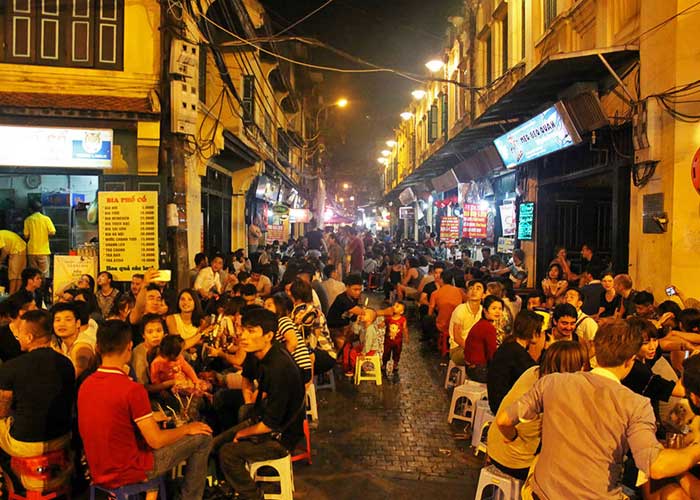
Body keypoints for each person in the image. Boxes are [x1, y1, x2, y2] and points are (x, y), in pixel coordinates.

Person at [496, 320, 700, 499]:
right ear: (630, 361)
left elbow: (504, 420)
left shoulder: (552, 381)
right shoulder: (637, 405)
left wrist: (511, 437)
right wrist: (695, 450)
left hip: (540, 494)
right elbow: (655, 466)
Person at [78, 320, 212, 497]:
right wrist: (187, 428)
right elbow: (155, 440)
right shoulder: (131, 389)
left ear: (97, 347)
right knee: (203, 438)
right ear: (129, 346)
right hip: (128, 469)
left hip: (96, 467)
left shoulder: (86, 384)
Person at [217, 308, 305, 500]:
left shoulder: (278, 367)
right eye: (243, 330)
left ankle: (253, 496)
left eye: (251, 331)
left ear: (269, 335)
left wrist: (242, 433)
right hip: (263, 419)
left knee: (227, 453)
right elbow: (247, 380)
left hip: (281, 438)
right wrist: (249, 406)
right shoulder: (258, 354)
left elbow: (270, 425)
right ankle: (228, 487)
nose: (243, 336)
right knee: (214, 443)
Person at [487, 341, 588, 481]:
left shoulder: (533, 371)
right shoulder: (554, 392)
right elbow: (503, 421)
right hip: (516, 461)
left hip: (494, 448)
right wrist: (513, 437)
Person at [0, 310, 74, 489]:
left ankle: (7, 482)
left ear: (29, 337)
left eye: (19, 333)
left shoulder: (12, 367)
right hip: (62, 437)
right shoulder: (66, 364)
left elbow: (2, 410)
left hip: (25, 444)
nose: (17, 336)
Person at [487, 310, 545, 414]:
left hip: (497, 400)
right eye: (539, 330)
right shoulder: (516, 352)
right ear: (532, 331)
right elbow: (535, 375)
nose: (541, 334)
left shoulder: (510, 345)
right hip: (503, 405)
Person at [264, 293, 313, 384]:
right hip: (297, 368)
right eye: (264, 306)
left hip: (299, 368)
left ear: (279, 307)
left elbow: (293, 342)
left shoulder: (283, 320)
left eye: (269, 305)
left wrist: (279, 361)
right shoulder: (276, 324)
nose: (265, 308)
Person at [463, 295, 504, 382]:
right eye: (494, 308)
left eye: (500, 309)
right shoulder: (488, 327)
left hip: (470, 367)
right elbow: (492, 354)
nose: (497, 312)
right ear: (485, 310)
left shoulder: (482, 323)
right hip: (479, 370)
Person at [51, 302, 96, 379]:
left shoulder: (82, 346)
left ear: (78, 323)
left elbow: (74, 375)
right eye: (58, 320)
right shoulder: (64, 343)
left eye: (68, 320)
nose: (62, 324)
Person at [448, 279, 485, 365]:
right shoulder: (460, 310)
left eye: (478, 288)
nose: (474, 291)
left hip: (476, 347)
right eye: (471, 288)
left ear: (483, 294)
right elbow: (457, 338)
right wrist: (473, 349)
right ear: (467, 293)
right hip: (458, 349)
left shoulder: (483, 311)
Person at [0, 291, 36, 362]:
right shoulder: (2, 334)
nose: (37, 309)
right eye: (34, 307)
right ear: (21, 312)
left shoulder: (36, 329)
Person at [23, 201, 55, 278]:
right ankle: (44, 289)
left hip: (32, 251)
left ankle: (35, 289)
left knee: (33, 274)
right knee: (44, 273)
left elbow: (26, 235)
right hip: (43, 250)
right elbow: (52, 232)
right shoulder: (46, 219)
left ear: (30, 210)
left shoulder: (28, 220)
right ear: (41, 209)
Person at [381, 301, 408, 375]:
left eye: (397, 306)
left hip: (398, 341)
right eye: (394, 305)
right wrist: (380, 325)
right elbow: (383, 324)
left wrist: (406, 337)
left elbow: (405, 328)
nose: (394, 307)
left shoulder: (403, 320)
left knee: (397, 353)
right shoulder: (389, 318)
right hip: (388, 341)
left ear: (401, 311)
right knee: (386, 353)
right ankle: (384, 364)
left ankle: (395, 364)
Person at [0, 229, 27, 294]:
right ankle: (16, 295)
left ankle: (12, 294)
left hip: (17, 249)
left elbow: (4, 251)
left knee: (14, 274)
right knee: (17, 274)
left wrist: (0, 261)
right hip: (20, 248)